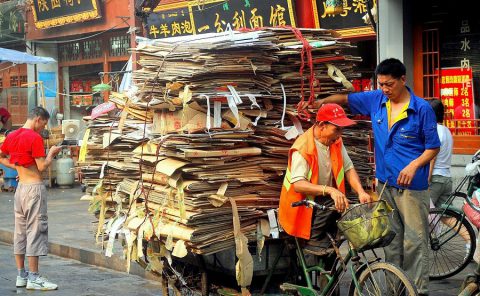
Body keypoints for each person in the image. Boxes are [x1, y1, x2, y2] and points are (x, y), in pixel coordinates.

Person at [310, 58, 440, 295]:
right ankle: (394, 289)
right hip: (384, 185)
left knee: (414, 242)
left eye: (389, 84)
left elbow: (433, 147)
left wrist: (413, 166)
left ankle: (417, 291)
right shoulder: (376, 100)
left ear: (403, 80)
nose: (385, 89)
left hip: (413, 189)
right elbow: (346, 99)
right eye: (381, 84)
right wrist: (320, 101)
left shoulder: (422, 109)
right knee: (390, 242)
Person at [278, 103, 372, 258]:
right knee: (334, 203)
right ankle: (314, 243)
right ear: (322, 126)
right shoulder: (303, 147)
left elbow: (348, 168)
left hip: (323, 201)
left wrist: (361, 192)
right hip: (300, 208)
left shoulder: (335, 141)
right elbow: (298, 185)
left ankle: (330, 250)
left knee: (353, 204)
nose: (340, 134)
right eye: (337, 129)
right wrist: (330, 190)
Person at [0, 106, 62, 291]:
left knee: (20, 232)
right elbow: (42, 166)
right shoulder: (34, 137)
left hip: (20, 189)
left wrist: (17, 166)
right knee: (35, 231)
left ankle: (21, 275)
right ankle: (34, 277)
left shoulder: (12, 135)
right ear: (37, 119)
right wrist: (51, 153)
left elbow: (2, 156)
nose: (43, 128)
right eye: (43, 124)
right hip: (34, 189)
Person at [428, 99, 453, 207]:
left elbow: (432, 158)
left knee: (423, 213)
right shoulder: (447, 130)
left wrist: (427, 180)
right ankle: (462, 225)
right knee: (446, 216)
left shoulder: (434, 130)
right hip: (446, 178)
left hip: (435, 178)